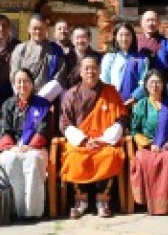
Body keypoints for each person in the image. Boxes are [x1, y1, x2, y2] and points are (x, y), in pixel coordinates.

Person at [60, 56, 129, 219]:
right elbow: (65, 123)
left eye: (94, 68)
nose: (91, 72)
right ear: (80, 72)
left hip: (104, 140)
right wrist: (84, 140)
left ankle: (102, 200)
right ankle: (81, 200)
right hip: (81, 142)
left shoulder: (110, 92)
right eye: (87, 68)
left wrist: (104, 139)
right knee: (75, 157)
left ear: (99, 71)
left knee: (109, 155)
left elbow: (122, 118)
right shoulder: (71, 94)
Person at [130, 69, 168, 215]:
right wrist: (149, 145)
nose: (155, 86)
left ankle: (166, 203)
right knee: (142, 159)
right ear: (146, 86)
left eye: (158, 82)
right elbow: (135, 131)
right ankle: (147, 201)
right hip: (148, 147)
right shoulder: (140, 105)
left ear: (163, 85)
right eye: (151, 82)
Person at [0, 69, 51, 219]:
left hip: (35, 147)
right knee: (8, 159)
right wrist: (12, 146)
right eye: (18, 81)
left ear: (32, 83)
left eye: (26, 81)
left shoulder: (42, 105)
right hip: (13, 147)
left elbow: (43, 128)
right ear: (14, 84)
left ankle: (31, 212)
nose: (22, 84)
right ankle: (12, 209)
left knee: (32, 160)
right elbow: (4, 128)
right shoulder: (8, 104)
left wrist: (31, 146)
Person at [10, 14, 67, 104]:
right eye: (34, 28)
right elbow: (14, 75)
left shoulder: (55, 50)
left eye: (41, 28)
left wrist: (40, 99)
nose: (38, 32)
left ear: (46, 29)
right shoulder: (20, 49)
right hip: (23, 100)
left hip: (48, 100)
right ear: (28, 29)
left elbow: (60, 77)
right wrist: (23, 96)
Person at [100, 22, 149, 104]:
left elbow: (144, 82)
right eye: (121, 35)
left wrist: (134, 99)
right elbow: (105, 80)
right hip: (113, 101)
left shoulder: (142, 59)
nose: (124, 38)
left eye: (127, 35)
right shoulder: (109, 58)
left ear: (132, 37)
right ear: (115, 37)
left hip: (135, 103)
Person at [137, 10, 168, 97]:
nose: (150, 23)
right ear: (141, 23)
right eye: (147, 20)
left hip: (160, 88)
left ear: (159, 23)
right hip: (138, 88)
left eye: (153, 20)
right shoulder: (135, 43)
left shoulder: (166, 44)